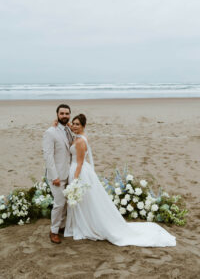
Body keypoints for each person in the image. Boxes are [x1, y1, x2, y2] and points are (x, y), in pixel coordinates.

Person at [64, 113, 176, 247]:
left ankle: (87, 224)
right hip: (77, 170)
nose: (74, 126)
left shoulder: (81, 141)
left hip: (79, 171)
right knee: (86, 200)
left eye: (78, 124)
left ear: (83, 126)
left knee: (84, 199)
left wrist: (75, 180)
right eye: (73, 123)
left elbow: (80, 163)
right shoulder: (79, 135)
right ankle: (83, 221)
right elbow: (71, 127)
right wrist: (66, 125)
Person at [43, 104, 73, 244]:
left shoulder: (69, 130)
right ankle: (53, 231)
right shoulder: (50, 132)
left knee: (66, 203)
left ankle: (61, 226)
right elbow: (48, 156)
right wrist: (54, 176)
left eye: (67, 113)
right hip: (57, 176)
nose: (64, 116)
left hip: (69, 173)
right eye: (62, 113)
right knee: (59, 204)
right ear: (57, 114)